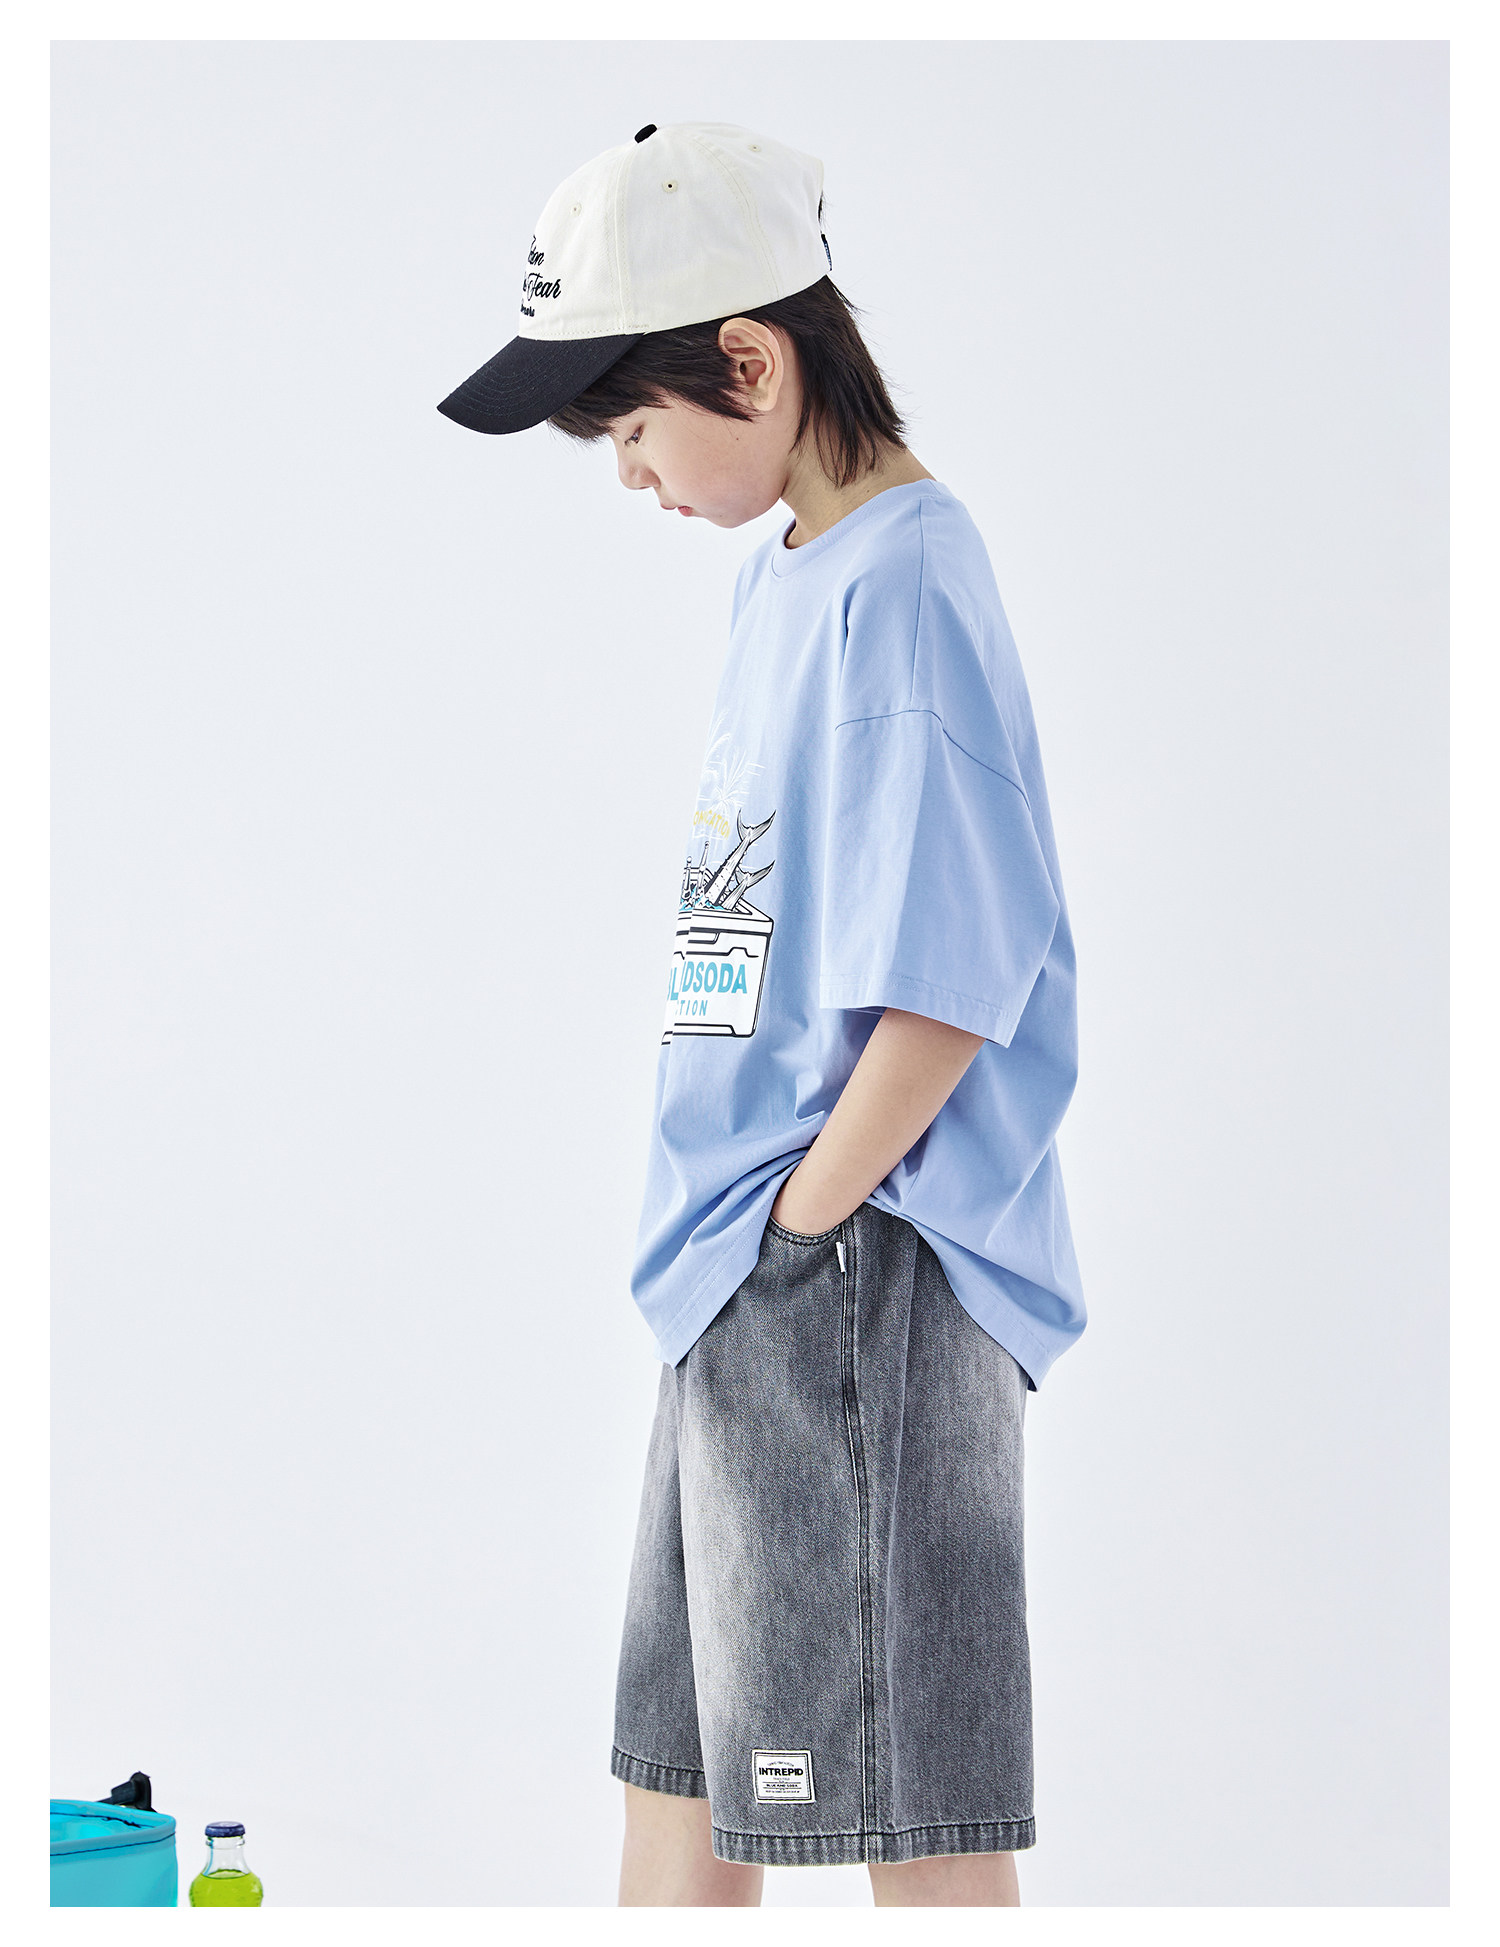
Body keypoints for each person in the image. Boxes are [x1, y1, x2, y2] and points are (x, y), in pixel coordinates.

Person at [437, 120, 1086, 1910]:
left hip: (849, 1269)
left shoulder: (907, 587)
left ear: (752, 363)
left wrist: (807, 1229)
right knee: (685, 1796)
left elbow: (952, 985)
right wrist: (753, 1250)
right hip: (740, 1275)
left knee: (909, 1830)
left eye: (631, 427)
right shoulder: (789, 576)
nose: (627, 473)